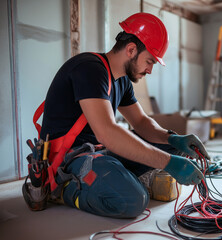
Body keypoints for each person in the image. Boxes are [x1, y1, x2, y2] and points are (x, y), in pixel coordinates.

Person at [39, 12, 210, 218]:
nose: (150, 70)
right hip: (72, 159)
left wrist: (173, 138)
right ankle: (62, 188)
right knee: (133, 200)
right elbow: (107, 133)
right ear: (131, 50)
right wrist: (167, 163)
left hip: (100, 152)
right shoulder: (89, 69)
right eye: (149, 62)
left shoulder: (122, 81)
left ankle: (122, 179)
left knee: (176, 150)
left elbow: (140, 122)